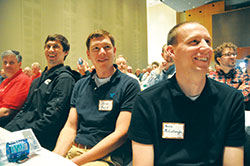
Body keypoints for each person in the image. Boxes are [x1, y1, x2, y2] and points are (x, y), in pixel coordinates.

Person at [128, 22, 245, 166]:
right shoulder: (147, 101)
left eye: (207, 42)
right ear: (171, 52)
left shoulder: (231, 99)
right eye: (194, 41)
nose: (206, 47)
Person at [53, 30, 141, 166]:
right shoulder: (80, 84)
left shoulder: (129, 84)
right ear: (88, 54)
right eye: (96, 48)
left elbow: (121, 134)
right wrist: (55, 158)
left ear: (114, 51)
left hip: (106, 157)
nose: (102, 52)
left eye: (107, 47)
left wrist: (75, 163)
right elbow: (70, 127)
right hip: (75, 150)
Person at [4, 34, 81, 151]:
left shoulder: (65, 79)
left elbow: (52, 119)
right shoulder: (37, 81)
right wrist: (8, 129)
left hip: (40, 140)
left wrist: (22, 136)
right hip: (21, 131)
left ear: (65, 52)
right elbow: (25, 109)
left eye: (56, 47)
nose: (51, 50)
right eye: (48, 46)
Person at [208, 42, 250, 108]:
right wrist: (237, 92)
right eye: (228, 54)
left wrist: (220, 96)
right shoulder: (210, 78)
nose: (232, 57)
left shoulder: (244, 77)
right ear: (219, 59)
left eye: (234, 54)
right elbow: (209, 98)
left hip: (236, 114)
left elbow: (244, 97)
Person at [0, 50, 32, 127]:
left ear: (19, 64)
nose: (7, 65)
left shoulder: (22, 80)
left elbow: (6, 112)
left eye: (11, 63)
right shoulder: (6, 81)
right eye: (5, 62)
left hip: (7, 124)